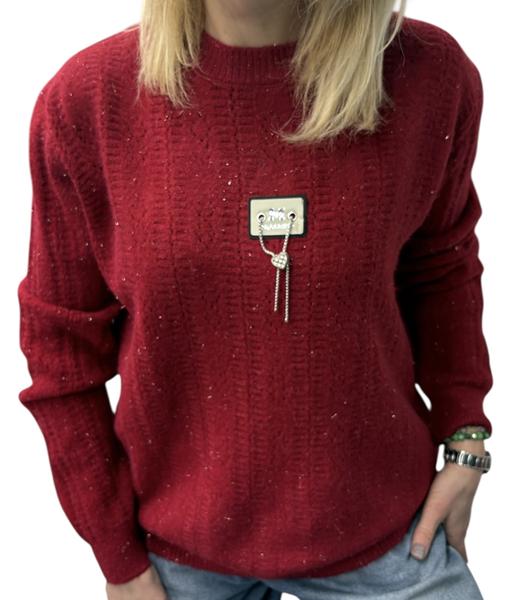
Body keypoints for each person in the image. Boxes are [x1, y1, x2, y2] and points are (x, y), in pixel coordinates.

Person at [17, 0, 494, 598]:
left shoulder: (428, 76)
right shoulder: (87, 102)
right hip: (173, 549)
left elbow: (442, 266)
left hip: (389, 531)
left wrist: (466, 436)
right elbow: (60, 353)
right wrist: (116, 555)